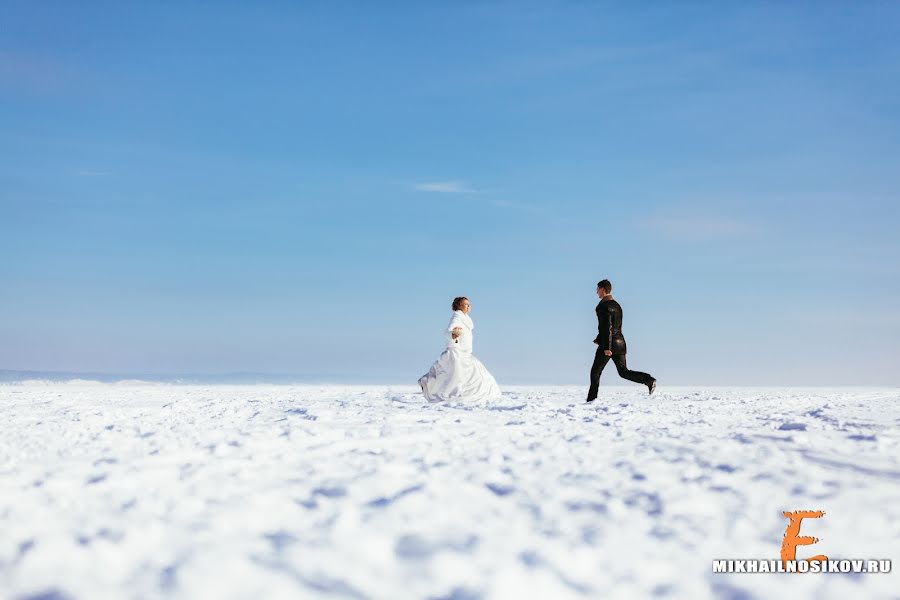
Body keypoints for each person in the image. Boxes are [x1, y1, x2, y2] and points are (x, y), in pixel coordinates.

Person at [418, 296, 502, 402]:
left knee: (468, 376)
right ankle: (427, 384)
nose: (469, 306)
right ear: (459, 306)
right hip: (457, 353)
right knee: (454, 378)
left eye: (469, 304)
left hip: (465, 353)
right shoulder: (457, 317)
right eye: (466, 304)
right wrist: (453, 333)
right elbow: (448, 331)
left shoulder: (465, 318)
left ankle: (474, 395)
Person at [587, 279, 656, 402]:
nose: (596, 292)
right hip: (620, 344)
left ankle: (591, 400)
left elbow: (607, 327)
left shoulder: (603, 306)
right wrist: (599, 338)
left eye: (597, 289)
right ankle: (648, 380)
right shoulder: (617, 305)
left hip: (608, 345)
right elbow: (614, 326)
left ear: (602, 289)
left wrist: (607, 347)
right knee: (624, 372)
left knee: (595, 372)